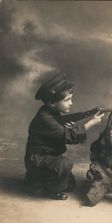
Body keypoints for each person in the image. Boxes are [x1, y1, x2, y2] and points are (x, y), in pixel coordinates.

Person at [24, 70, 104, 200]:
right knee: (64, 165)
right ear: (52, 103)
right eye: (67, 100)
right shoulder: (45, 119)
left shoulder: (49, 112)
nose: (71, 103)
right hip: (37, 160)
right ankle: (48, 189)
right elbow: (70, 136)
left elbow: (65, 120)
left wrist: (87, 113)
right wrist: (91, 123)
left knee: (70, 185)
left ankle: (35, 180)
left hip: (45, 157)